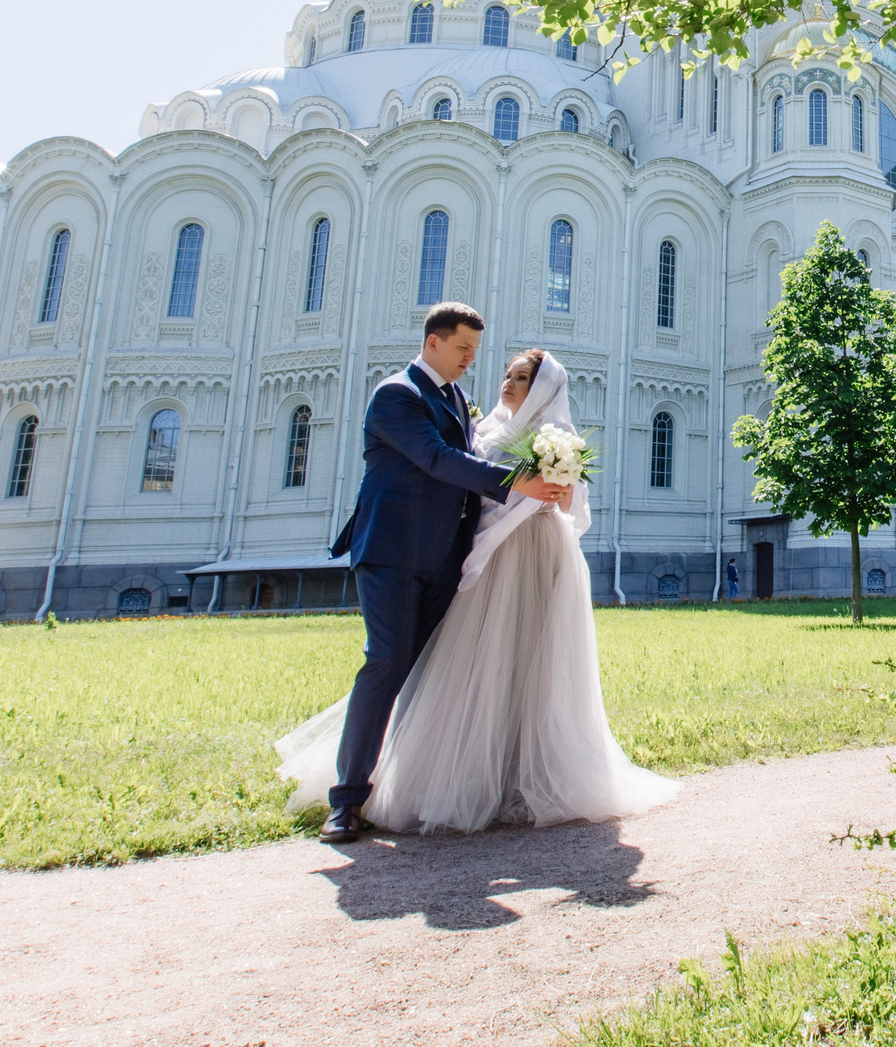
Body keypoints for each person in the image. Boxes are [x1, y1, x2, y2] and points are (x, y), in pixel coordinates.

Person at [278, 341, 676, 834]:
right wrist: (517, 485)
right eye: (506, 375)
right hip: (474, 558)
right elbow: (452, 468)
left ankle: (517, 775)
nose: (507, 384)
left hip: (532, 552)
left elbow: (572, 502)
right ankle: (414, 775)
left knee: (529, 665)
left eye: (520, 378)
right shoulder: (479, 425)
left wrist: (554, 481)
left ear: (543, 388)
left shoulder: (556, 435)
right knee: (467, 663)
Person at [306, 303, 565, 844]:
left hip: (447, 558)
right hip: (394, 552)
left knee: (427, 672)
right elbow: (437, 459)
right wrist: (524, 480)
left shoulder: (455, 400)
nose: (473, 358)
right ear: (433, 344)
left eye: (475, 349)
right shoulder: (396, 394)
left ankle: (404, 782)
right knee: (387, 663)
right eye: (464, 348)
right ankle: (347, 800)